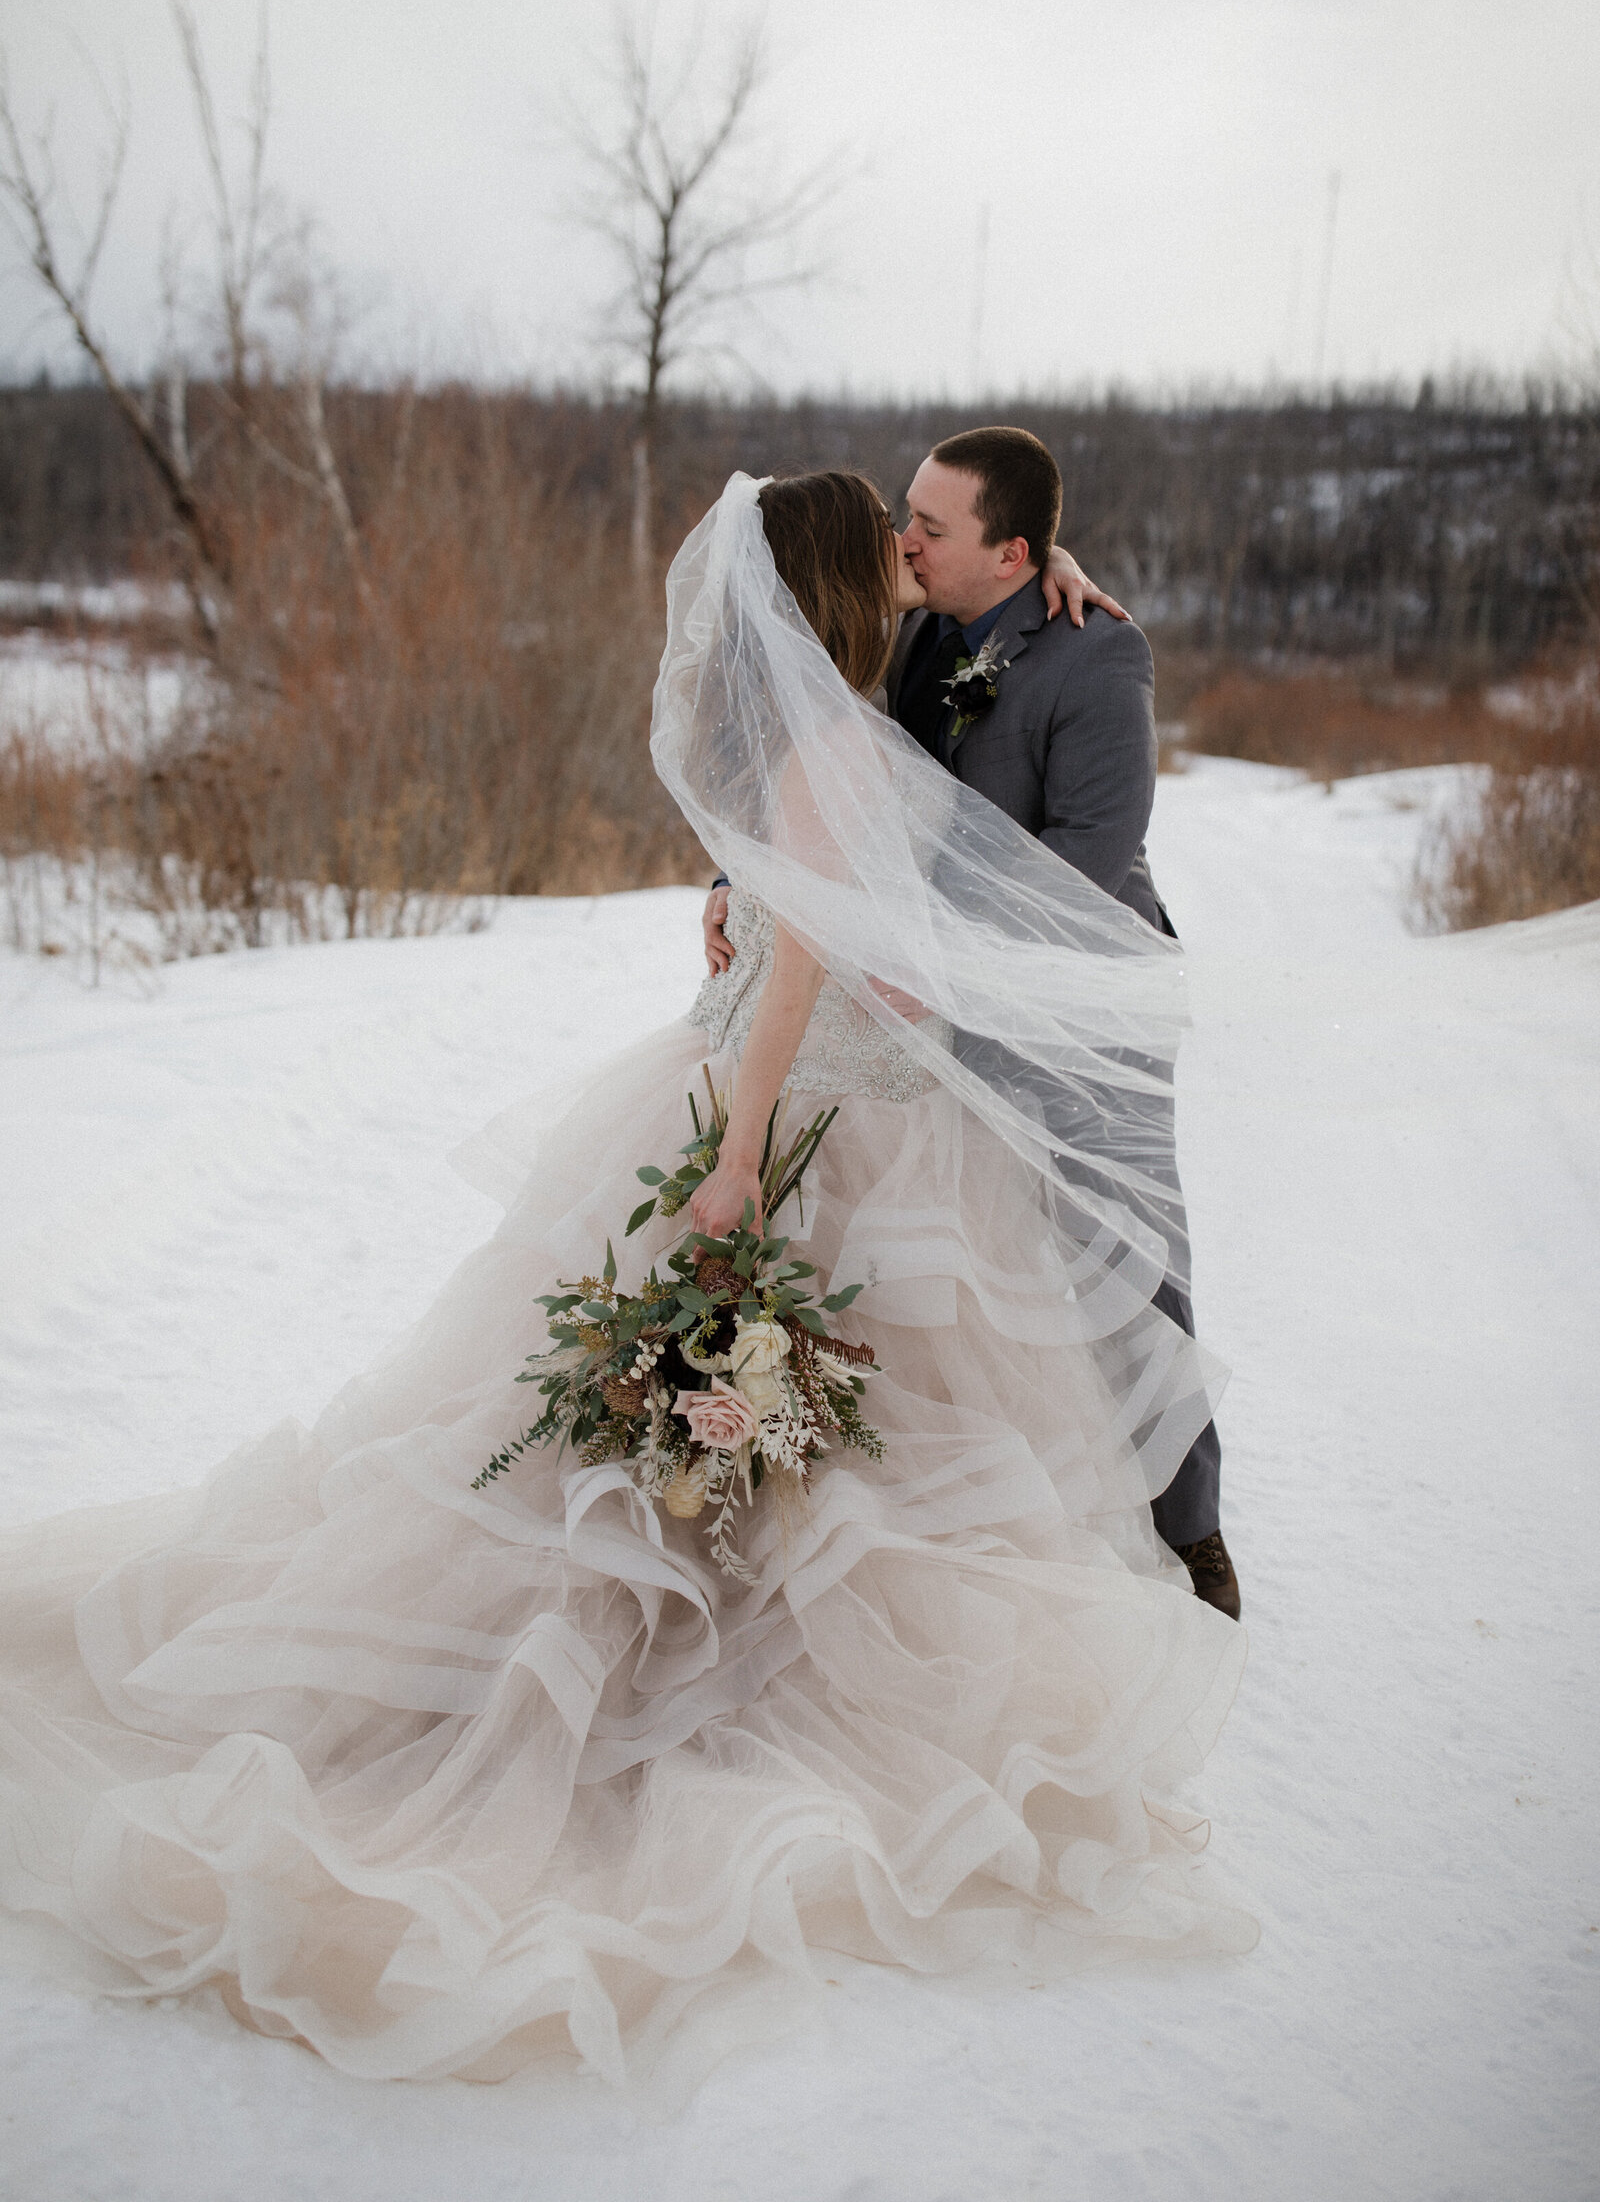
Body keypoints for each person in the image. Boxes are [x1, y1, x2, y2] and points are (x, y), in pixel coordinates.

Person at [0, 470, 1252, 2089]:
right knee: (756, 1382)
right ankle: (702, 1638)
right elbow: (805, 944)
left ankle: (792, 1590)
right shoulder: (828, 735)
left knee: (858, 1404)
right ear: (844, 582)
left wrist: (1047, 577)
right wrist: (739, 1155)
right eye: (888, 534)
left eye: (924, 525)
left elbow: (870, 849)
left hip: (859, 1089)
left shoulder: (892, 678)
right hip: (804, 1103)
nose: (907, 542)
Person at [704, 429, 1239, 1618]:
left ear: (1010, 553)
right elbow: (799, 766)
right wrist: (733, 887)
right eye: (904, 516)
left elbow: (1081, 867)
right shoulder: (925, 619)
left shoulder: (1101, 659)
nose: (903, 538)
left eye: (929, 528)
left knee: (1124, 1259)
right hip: (911, 1012)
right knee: (964, 1277)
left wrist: (932, 968)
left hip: (1072, 1002)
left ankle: (1190, 1527)